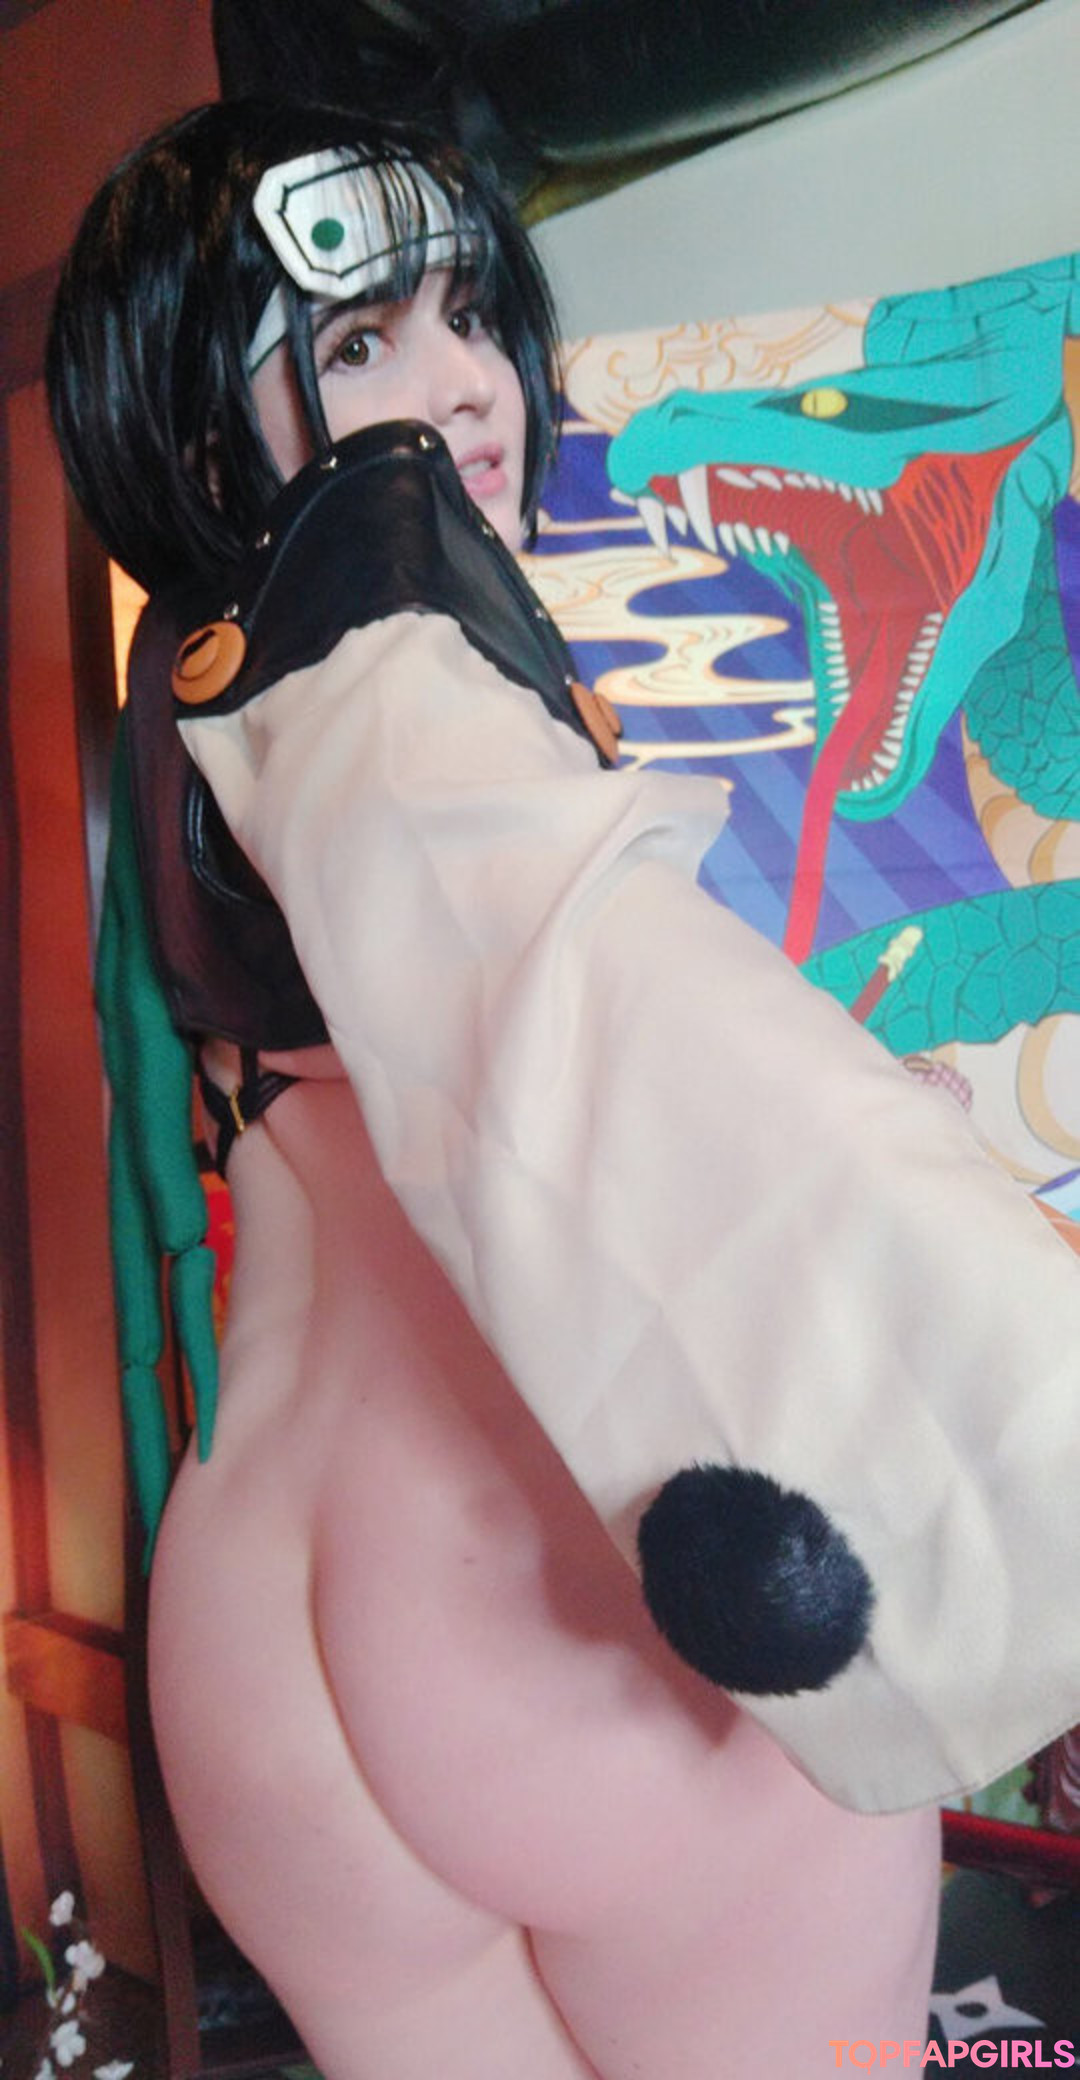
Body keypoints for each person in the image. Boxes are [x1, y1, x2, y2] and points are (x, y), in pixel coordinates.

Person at [48, 98, 1080, 2078]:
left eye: (466, 318)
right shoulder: (384, 629)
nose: (463, 387)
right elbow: (589, 996)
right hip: (548, 1593)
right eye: (360, 341)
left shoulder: (193, 686)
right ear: (193, 421)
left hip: (259, 1621)